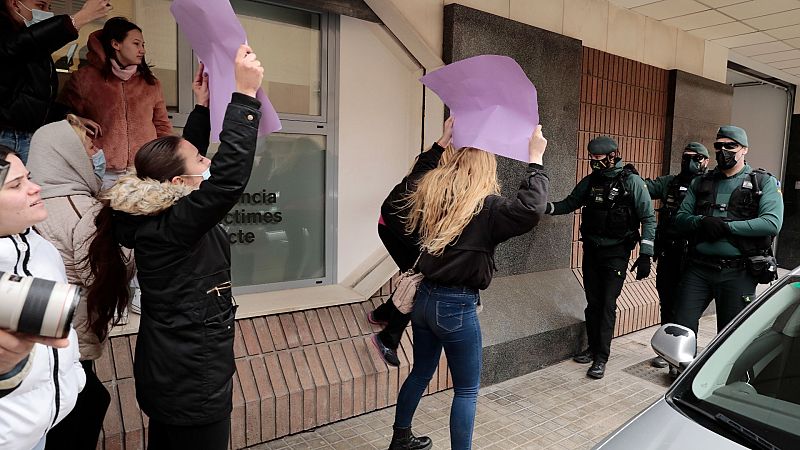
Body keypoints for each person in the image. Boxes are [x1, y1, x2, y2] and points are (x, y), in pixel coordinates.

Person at [86, 44, 263, 450]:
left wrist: (201, 108)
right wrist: (245, 97)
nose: (208, 162)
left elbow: (179, 164)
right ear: (180, 185)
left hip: (170, 375)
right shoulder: (175, 226)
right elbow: (229, 181)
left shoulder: (154, 213)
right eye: (202, 161)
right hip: (193, 381)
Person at [27, 73, 210, 448]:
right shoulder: (79, 210)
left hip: (56, 340)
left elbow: (173, 167)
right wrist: (136, 243)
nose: (97, 153)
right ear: (66, 155)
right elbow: (101, 272)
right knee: (83, 409)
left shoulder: (46, 202)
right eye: (87, 146)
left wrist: (201, 111)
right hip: (70, 342)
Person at [388, 126, 549, 450]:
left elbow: (395, 202)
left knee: (420, 372)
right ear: (485, 167)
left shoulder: (429, 196)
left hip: (424, 302)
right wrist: (535, 159)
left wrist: (438, 145)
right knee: (466, 390)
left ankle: (400, 438)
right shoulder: (486, 208)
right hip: (456, 307)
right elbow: (532, 208)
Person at [545, 136, 656, 379]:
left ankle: (601, 357)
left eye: (599, 158)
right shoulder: (590, 182)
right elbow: (569, 203)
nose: (594, 162)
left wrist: (646, 253)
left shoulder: (632, 182)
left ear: (613, 155)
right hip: (592, 251)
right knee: (593, 303)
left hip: (616, 253)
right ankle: (592, 347)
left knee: (607, 304)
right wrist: (544, 207)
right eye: (591, 158)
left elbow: (648, 218)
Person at [0, 145, 86, 450]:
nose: (36, 188)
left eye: (29, 178)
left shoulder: (42, 248)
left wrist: (74, 378)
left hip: (42, 428)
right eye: (16, 185)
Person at [673, 126, 784, 339]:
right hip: (699, 268)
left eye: (730, 146)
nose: (723, 150)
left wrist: (727, 226)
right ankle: (681, 371)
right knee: (680, 328)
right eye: (718, 146)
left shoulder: (762, 183)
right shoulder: (701, 181)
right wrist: (702, 221)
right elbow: (680, 218)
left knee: (731, 335)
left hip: (738, 271)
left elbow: (771, 223)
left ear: (744, 150)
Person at [369, 117, 454, 367]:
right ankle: (388, 338)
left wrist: (445, 136)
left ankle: (383, 314)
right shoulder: (429, 177)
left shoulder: (430, 169)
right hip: (395, 230)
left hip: (398, 229)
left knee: (414, 275)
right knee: (417, 281)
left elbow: (430, 157)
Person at [60, 16, 173, 189]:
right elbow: (62, 119)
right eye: (136, 44)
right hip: (101, 170)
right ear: (116, 44)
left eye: (143, 45)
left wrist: (165, 160)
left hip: (142, 170)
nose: (142, 50)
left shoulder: (150, 83)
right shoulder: (85, 79)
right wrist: (75, 120)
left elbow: (162, 125)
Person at [0, 0, 110, 163]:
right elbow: (16, 46)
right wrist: (77, 20)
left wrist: (67, 116)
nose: (46, 12)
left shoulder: (33, 47)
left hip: (29, 137)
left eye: (49, 8)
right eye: (41, 6)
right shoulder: (15, 41)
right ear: (15, 4)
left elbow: (30, 99)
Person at [643, 142, 709, 371]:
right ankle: (668, 348)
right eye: (686, 156)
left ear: (706, 161)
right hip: (669, 252)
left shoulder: (708, 184)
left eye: (696, 157)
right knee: (667, 301)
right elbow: (645, 188)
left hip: (694, 257)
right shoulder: (669, 183)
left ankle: (686, 353)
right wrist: (628, 177)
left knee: (687, 307)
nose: (690, 162)